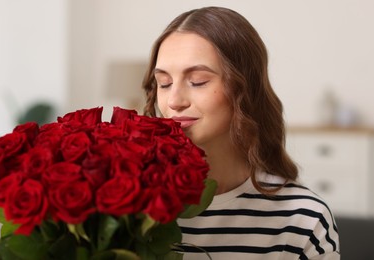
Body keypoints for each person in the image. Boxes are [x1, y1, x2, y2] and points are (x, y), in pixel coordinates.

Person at [142, 6, 340, 260]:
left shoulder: (304, 219)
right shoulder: (131, 211)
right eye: (164, 83)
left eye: (198, 81)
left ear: (245, 88)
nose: (174, 100)